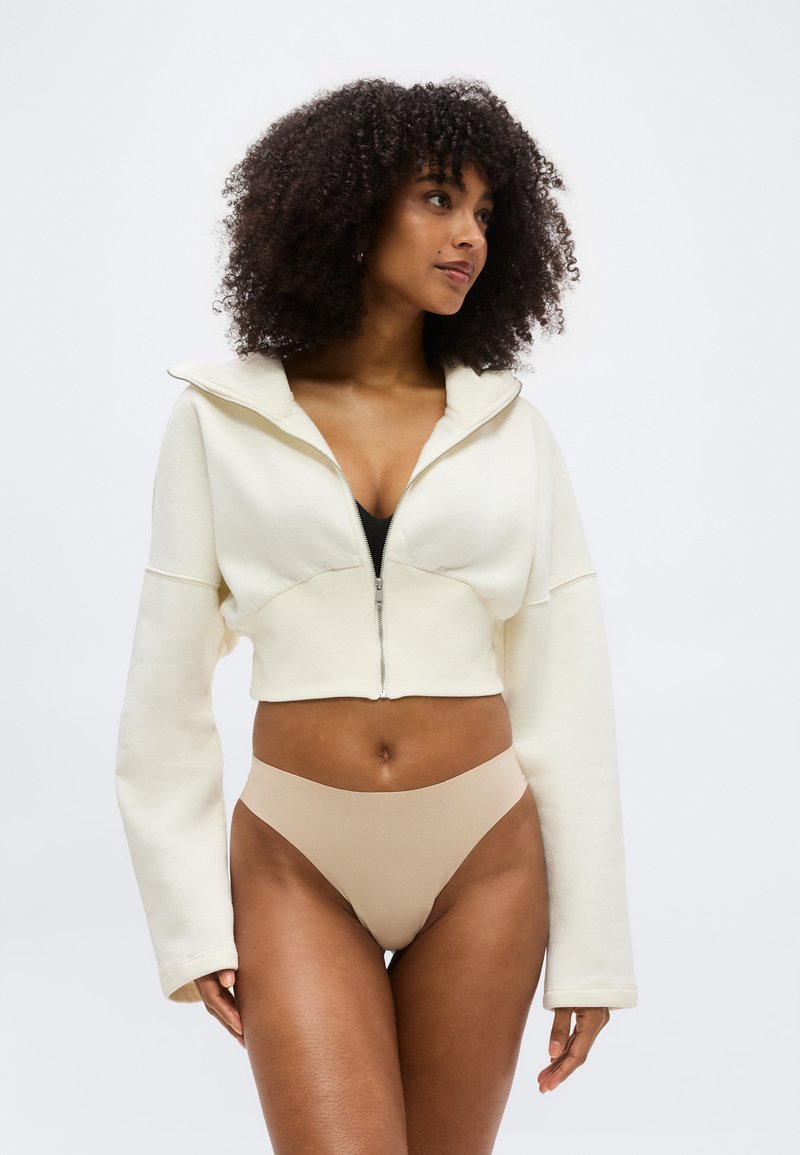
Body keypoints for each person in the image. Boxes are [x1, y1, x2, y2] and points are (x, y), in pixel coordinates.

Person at [114, 76, 638, 1153]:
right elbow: (164, 691)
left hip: (485, 856)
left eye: (484, 211)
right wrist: (187, 922)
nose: (469, 235)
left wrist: (592, 950)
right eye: (438, 199)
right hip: (297, 854)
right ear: (349, 207)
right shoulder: (216, 420)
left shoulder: (511, 431)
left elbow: (567, 691)